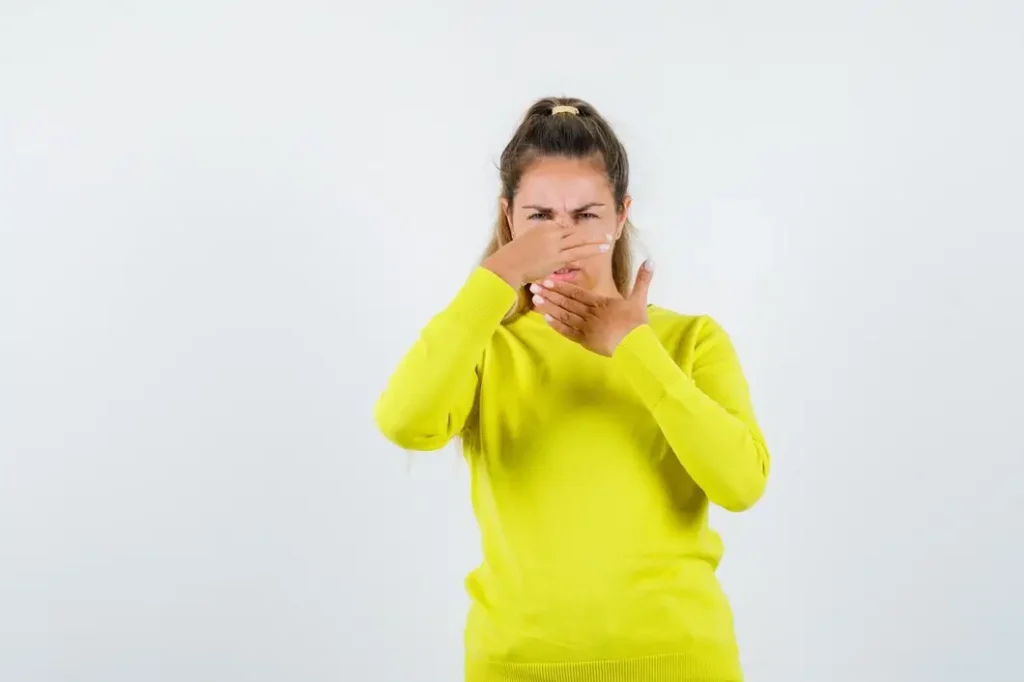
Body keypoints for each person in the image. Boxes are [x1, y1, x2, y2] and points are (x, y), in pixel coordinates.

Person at [374, 96, 771, 682]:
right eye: (540, 219)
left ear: (620, 215)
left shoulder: (691, 341)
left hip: (684, 662)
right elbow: (404, 421)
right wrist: (496, 279)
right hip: (514, 665)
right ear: (509, 219)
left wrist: (634, 348)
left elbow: (740, 485)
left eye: (586, 216)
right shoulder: (485, 345)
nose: (563, 238)